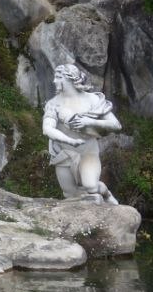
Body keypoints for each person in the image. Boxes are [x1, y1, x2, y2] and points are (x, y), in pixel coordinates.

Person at [43, 63, 121, 205]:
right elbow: (47, 129)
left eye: (58, 77)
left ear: (70, 79)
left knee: (90, 186)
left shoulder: (93, 99)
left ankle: (105, 192)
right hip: (63, 155)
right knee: (70, 195)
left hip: (88, 153)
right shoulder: (53, 104)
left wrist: (89, 122)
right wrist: (69, 141)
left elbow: (116, 125)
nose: (54, 81)